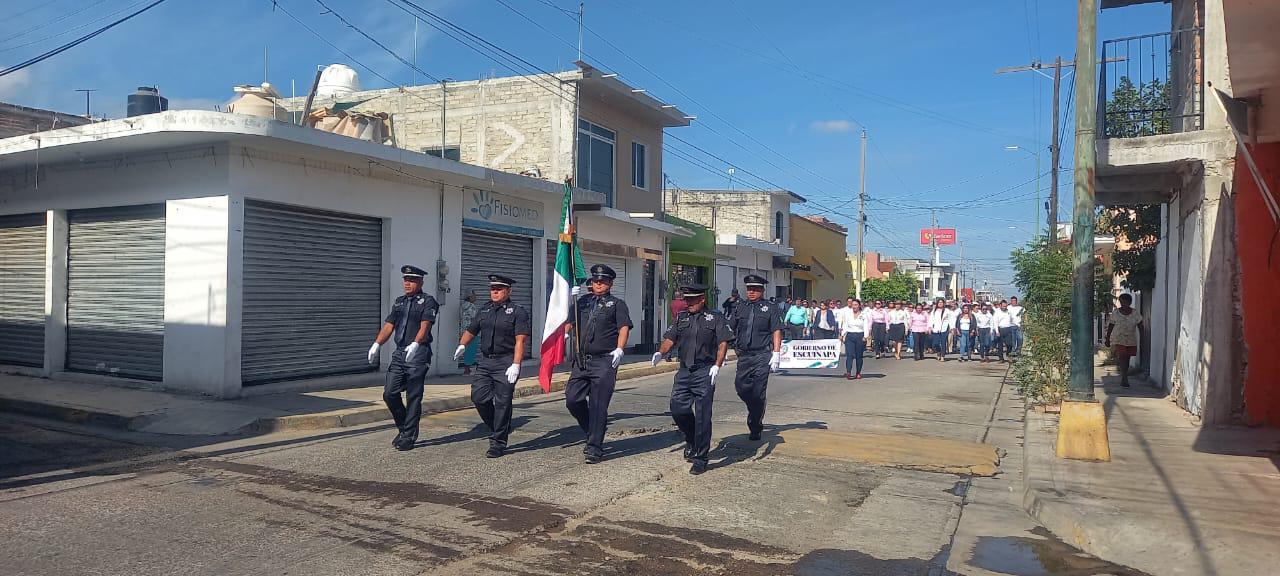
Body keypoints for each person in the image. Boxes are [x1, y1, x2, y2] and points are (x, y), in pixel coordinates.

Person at [652, 284, 733, 475]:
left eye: (691, 300)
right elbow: (670, 338)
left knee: (703, 415)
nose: (687, 303)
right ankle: (691, 437)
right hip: (685, 371)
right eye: (686, 299)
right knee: (677, 408)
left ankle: (700, 457)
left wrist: (717, 365)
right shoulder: (682, 317)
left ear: (701, 299)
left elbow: (723, 343)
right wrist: (660, 352)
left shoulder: (716, 318)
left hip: (705, 371)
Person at [453, 274, 531, 458]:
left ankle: (498, 442)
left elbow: (521, 340)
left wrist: (516, 364)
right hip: (486, 361)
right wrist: (462, 345)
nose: (495, 292)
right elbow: (471, 330)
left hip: (506, 361)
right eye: (492, 289)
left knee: (503, 402)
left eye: (499, 289)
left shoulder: (517, 311)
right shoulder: (484, 310)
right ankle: (497, 426)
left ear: (508, 291)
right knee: (478, 397)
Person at [563, 265, 632, 464]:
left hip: (604, 360)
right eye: (595, 281)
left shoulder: (617, 304)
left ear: (610, 283)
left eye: (602, 281)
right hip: (582, 360)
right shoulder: (582, 302)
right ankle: (592, 429)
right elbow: (570, 321)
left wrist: (619, 349)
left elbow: (624, 327)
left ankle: (594, 447)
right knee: (572, 399)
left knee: (598, 405)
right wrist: (566, 330)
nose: (598, 284)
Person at [367, 265, 440, 451]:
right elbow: (389, 326)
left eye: (412, 280)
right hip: (399, 353)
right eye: (406, 280)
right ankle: (404, 428)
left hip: (418, 353)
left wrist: (416, 343)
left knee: (413, 396)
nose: (408, 283)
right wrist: (377, 344)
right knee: (389, 393)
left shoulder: (428, 301)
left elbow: (425, 326)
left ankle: (408, 436)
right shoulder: (399, 302)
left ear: (421, 282)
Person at [727, 275, 783, 441]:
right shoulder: (740, 307)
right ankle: (756, 408)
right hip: (743, 355)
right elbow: (730, 328)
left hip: (762, 355)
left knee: (758, 392)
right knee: (741, 388)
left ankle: (755, 425)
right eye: (749, 288)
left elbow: (776, 330)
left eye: (755, 289)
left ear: (762, 290)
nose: (751, 292)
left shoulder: (770, 307)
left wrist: (777, 353)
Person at [1105, 293, 1144, 388]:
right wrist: (1108, 338)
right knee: (1122, 356)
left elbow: (1140, 326)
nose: (1123, 304)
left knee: (1127, 358)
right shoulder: (1116, 313)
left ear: (1130, 302)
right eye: (1121, 302)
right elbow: (1111, 325)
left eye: (1125, 302)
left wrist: (1142, 339)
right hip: (1119, 338)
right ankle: (1124, 377)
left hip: (1131, 339)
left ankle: (1124, 374)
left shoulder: (1135, 313)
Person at [838, 298, 871, 379]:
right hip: (850, 336)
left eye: (856, 305)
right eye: (853, 305)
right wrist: (842, 334)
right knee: (849, 355)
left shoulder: (863, 315)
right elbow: (845, 325)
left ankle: (858, 372)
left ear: (859, 306)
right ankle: (848, 372)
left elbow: (866, 326)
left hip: (860, 336)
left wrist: (865, 336)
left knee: (859, 356)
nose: (854, 306)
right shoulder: (848, 314)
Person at [458, 292, 479, 375]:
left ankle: (466, 369)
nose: (475, 298)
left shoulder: (462, 306)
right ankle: (467, 370)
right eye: (474, 296)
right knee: (471, 350)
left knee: (465, 349)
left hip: (463, 331)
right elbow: (476, 318)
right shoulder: (472, 307)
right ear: (470, 297)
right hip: (472, 331)